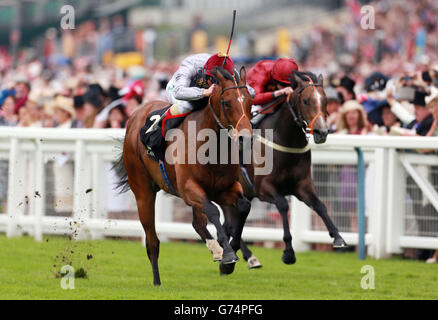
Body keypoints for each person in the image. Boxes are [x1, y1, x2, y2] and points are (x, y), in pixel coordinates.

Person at [150, 52, 237, 136]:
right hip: (178, 89)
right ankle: (157, 127)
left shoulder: (232, 72)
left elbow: (247, 92)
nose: (216, 82)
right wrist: (204, 92)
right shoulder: (191, 65)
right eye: (213, 78)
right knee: (186, 106)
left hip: (207, 92)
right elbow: (178, 92)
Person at [246, 57, 298, 125]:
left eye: (289, 85)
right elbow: (254, 99)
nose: (286, 88)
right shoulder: (261, 71)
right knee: (255, 117)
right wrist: (279, 92)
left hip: (268, 94)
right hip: (250, 95)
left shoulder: (291, 75)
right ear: (274, 77)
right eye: (282, 84)